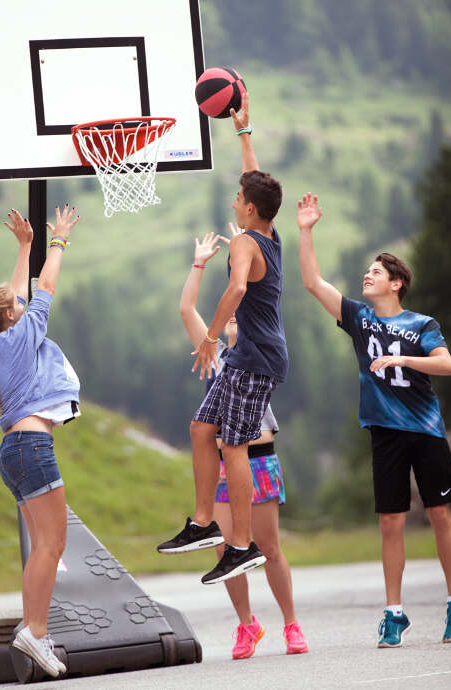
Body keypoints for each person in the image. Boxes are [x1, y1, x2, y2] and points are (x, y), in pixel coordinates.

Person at [297, 191, 451, 647]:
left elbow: (447, 365)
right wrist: (306, 230)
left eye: (376, 272)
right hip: (385, 435)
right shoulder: (359, 318)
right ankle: (395, 613)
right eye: (367, 271)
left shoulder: (420, 324)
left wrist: (403, 361)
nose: (367, 276)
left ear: (396, 284)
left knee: (440, 515)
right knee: (391, 521)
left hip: (426, 430)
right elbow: (312, 282)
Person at [157, 93, 290, 587]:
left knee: (234, 447)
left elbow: (235, 288)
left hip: (254, 358)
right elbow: (256, 183)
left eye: (239, 199)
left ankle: (240, 546)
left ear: (250, 210)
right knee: (201, 430)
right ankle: (203, 524)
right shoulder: (269, 233)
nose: (234, 200)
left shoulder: (243, 242)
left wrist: (211, 337)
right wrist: (243, 133)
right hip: (252, 357)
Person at [0, 204, 80, 677]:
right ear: (10, 314)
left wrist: (25, 246)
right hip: (31, 447)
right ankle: (35, 633)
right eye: (16, 305)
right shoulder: (22, 335)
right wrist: (58, 239)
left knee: (44, 544)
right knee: (52, 544)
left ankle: (33, 629)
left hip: (14, 450)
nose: (23, 305)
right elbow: (43, 288)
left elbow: (18, 293)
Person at [178, 229, 308, 658]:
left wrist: (247, 252)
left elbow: (251, 292)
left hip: (259, 459)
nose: (232, 318)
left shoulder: (257, 355)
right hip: (223, 464)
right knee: (223, 544)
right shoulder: (214, 355)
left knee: (268, 547)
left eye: (236, 315)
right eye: (228, 317)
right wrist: (199, 263)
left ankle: (291, 623)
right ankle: (247, 625)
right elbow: (187, 309)